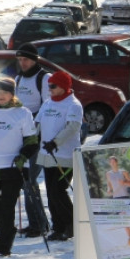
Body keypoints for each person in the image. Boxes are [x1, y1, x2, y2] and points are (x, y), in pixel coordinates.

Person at [0, 78, 38, 258]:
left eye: (5, 92)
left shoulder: (22, 113)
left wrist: (23, 157)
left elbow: (32, 141)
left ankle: (2, 247)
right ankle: (8, 229)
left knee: (7, 207)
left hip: (13, 167)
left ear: (12, 94)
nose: (1, 96)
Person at [36, 71, 83, 241]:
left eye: (53, 86)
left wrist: (55, 142)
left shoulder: (73, 105)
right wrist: (34, 138)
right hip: (47, 154)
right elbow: (38, 122)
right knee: (50, 192)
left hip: (64, 156)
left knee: (58, 191)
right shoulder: (48, 102)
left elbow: (72, 128)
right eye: (49, 86)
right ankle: (58, 226)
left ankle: (72, 224)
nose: (50, 89)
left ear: (64, 86)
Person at [14, 43, 53, 238]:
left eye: (26, 59)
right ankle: (37, 222)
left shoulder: (44, 78)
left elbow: (47, 108)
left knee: (29, 179)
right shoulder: (19, 78)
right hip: (21, 135)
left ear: (34, 60)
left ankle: (39, 224)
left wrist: (35, 133)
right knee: (26, 180)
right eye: (20, 60)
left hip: (37, 137)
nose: (22, 63)